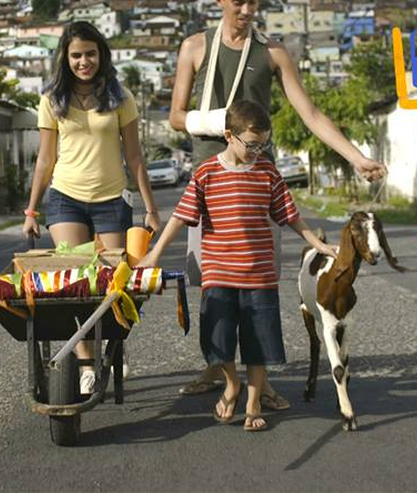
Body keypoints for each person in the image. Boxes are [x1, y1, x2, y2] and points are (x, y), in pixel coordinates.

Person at [168, 0, 387, 402]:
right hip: (211, 181)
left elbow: (311, 114)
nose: (248, 10)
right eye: (239, 2)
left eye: (254, 1)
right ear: (219, 0)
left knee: (259, 284)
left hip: (258, 183)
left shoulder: (273, 52)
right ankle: (217, 367)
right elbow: (175, 117)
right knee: (212, 283)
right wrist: (220, 123)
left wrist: (357, 157)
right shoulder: (195, 47)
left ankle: (260, 380)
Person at [140, 100, 337, 431]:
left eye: (264, 145)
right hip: (219, 274)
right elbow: (181, 217)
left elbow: (290, 215)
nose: (258, 152)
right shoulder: (206, 172)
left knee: (259, 342)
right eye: (252, 145)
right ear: (229, 135)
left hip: (259, 276)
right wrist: (154, 254)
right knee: (217, 338)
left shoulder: (267, 172)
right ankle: (232, 383)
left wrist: (318, 245)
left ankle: (253, 402)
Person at [22, 20, 161, 395]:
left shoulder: (120, 97)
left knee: (112, 284)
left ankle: (114, 342)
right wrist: (32, 211)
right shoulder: (52, 100)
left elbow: (135, 157)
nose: (84, 62)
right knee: (76, 283)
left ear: (101, 55)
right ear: (65, 59)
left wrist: (151, 208)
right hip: (65, 198)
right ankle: (85, 363)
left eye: (90, 54)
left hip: (111, 200)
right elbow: (45, 160)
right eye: (76, 56)